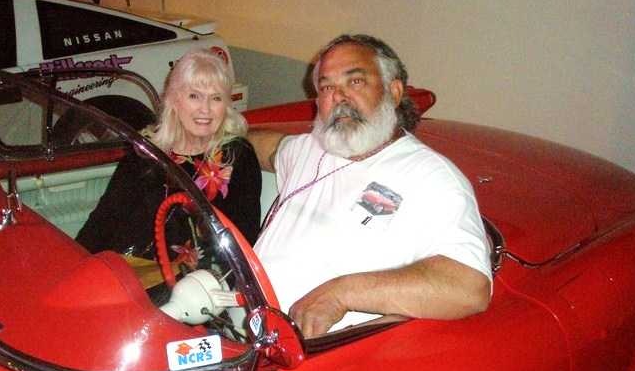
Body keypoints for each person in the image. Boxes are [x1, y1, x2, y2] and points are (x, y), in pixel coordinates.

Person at [250, 34, 492, 337]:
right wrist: (210, 134)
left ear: (393, 92)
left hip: (313, 359)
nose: (339, 97)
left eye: (355, 82)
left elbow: (468, 287)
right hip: (239, 327)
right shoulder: (313, 148)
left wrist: (342, 294)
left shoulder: (431, 178)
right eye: (327, 87)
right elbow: (266, 148)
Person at [76, 48, 262, 256]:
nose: (205, 109)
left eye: (216, 98)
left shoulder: (237, 157)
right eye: (194, 96)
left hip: (197, 280)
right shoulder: (147, 152)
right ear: (174, 100)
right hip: (129, 269)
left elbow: (243, 238)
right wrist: (77, 264)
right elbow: (103, 219)